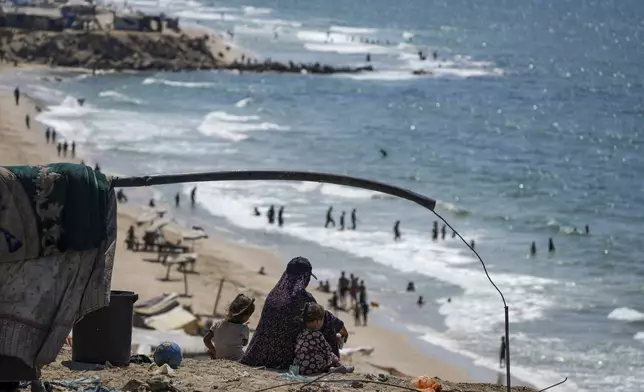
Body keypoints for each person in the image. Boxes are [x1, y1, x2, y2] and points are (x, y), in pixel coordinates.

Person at [241, 257, 347, 368]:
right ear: (305, 277)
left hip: (259, 355)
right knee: (325, 323)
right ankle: (331, 363)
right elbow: (320, 318)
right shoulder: (304, 299)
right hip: (287, 359)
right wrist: (338, 324)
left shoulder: (273, 295)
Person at [293, 302, 354, 375]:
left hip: (303, 368)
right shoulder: (318, 335)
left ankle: (330, 368)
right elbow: (327, 350)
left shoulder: (301, 334)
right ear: (318, 321)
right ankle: (341, 366)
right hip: (316, 368)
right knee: (331, 354)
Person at [203, 294, 255, 360]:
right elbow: (244, 344)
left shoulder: (217, 324)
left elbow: (206, 340)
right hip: (237, 359)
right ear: (245, 316)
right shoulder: (244, 328)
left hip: (219, 357)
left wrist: (214, 352)